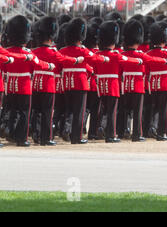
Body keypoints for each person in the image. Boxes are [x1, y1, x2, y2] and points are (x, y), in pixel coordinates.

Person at [3, 15, 55, 147]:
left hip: (9, 85)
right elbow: (38, 64)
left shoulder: (6, 52)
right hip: (24, 86)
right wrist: (49, 66)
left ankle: (11, 133)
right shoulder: (28, 54)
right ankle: (21, 139)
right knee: (24, 113)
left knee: (11, 111)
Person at [31, 16, 83, 146]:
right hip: (48, 84)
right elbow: (64, 59)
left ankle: (36, 134)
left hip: (36, 83)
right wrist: (76, 60)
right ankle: (46, 138)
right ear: (51, 37)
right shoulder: (53, 53)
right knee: (47, 112)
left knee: (36, 111)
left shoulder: (34, 51)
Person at [59, 18, 109, 144]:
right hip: (80, 83)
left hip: (67, 83)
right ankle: (77, 137)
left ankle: (66, 128)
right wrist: (104, 59)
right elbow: (95, 59)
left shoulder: (62, 51)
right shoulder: (82, 50)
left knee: (69, 109)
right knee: (79, 112)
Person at [94, 21, 143, 143]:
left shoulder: (98, 54)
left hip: (101, 85)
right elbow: (128, 60)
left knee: (103, 110)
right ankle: (111, 135)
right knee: (112, 112)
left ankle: (102, 128)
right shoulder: (116, 55)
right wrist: (139, 62)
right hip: (113, 86)